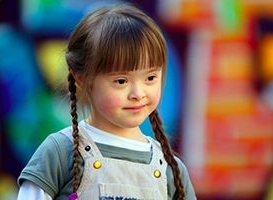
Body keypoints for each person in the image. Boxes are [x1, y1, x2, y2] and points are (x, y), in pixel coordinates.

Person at [17, 4, 196, 200]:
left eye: (150, 78)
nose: (138, 93)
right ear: (82, 79)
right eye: (121, 81)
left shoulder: (171, 169)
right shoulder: (59, 151)